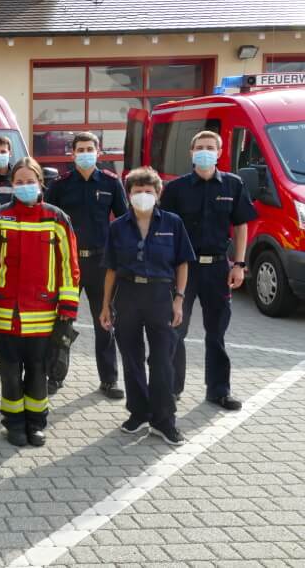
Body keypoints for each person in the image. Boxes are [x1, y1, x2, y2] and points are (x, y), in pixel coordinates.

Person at [0, 157, 79, 448]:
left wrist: (68, 308)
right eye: (19, 182)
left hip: (43, 314)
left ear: (40, 183)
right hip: (6, 314)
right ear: (12, 185)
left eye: (29, 181)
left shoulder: (56, 218)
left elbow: (69, 266)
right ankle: (13, 423)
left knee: (37, 371)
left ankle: (36, 423)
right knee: (9, 373)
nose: (24, 186)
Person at [160, 130, 257, 410]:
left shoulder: (233, 185)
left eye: (210, 147)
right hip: (184, 270)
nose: (204, 151)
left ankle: (218, 391)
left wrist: (239, 264)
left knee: (216, 333)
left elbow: (241, 226)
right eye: (199, 147)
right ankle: (171, 390)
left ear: (219, 151)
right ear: (191, 153)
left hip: (217, 269)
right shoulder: (176, 189)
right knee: (176, 331)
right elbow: (165, 230)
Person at [100, 167, 195, 446]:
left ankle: (164, 421)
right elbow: (111, 270)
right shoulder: (118, 226)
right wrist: (105, 305)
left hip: (160, 295)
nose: (143, 195)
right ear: (128, 195)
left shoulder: (173, 223)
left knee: (163, 360)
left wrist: (179, 299)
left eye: (148, 191)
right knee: (131, 357)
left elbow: (182, 263)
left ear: (158, 193)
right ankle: (138, 412)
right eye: (137, 191)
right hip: (127, 294)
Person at [44, 132, 128, 399]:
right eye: (80, 149)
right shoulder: (60, 185)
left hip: (101, 263)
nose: (84, 153)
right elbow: (48, 223)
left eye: (89, 148)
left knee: (105, 320)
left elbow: (125, 221)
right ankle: (55, 376)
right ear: (72, 153)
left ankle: (109, 379)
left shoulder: (112, 183)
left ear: (98, 151)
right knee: (62, 320)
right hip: (68, 263)